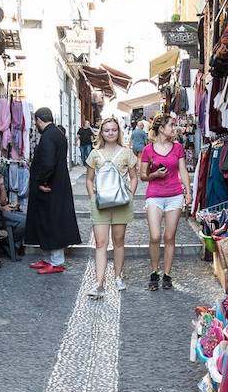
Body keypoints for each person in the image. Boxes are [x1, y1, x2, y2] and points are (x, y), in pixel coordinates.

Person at [82, 116, 139, 298]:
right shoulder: (95, 154)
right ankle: (99, 283)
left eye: (114, 130)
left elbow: (134, 177)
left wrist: (131, 195)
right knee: (100, 243)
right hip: (100, 204)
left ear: (118, 131)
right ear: (101, 133)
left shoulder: (126, 152)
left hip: (121, 202)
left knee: (119, 240)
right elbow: (89, 179)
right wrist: (93, 198)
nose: (110, 133)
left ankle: (118, 276)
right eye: (107, 130)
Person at [25, 107, 80, 274]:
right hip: (57, 184)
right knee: (47, 220)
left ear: (38, 120)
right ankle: (49, 259)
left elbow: (48, 163)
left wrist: (42, 180)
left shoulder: (48, 136)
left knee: (51, 221)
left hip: (50, 186)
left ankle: (56, 261)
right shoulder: (57, 133)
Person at [140, 113, 191, 291]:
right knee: (155, 236)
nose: (174, 128)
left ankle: (167, 274)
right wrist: (155, 174)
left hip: (174, 195)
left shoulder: (178, 148)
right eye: (171, 125)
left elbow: (183, 170)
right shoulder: (148, 150)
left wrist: (188, 192)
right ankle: (154, 271)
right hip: (154, 195)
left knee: (169, 236)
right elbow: (143, 175)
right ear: (162, 128)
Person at [0, 175, 27, 250]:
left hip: (3, 211)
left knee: (28, 218)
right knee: (25, 221)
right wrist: (2, 208)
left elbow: (3, 202)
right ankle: (10, 242)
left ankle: (11, 242)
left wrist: (1, 185)